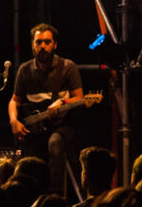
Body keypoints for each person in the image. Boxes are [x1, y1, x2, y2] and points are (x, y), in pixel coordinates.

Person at [7, 24, 84, 196]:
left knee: (55, 144)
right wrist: (14, 121)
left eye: (47, 42)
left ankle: (54, 196)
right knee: (30, 161)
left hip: (61, 126)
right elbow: (14, 101)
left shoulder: (67, 67)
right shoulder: (25, 70)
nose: (43, 46)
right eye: (39, 42)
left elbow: (80, 98)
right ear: (33, 45)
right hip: (35, 129)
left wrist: (62, 101)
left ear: (55, 44)